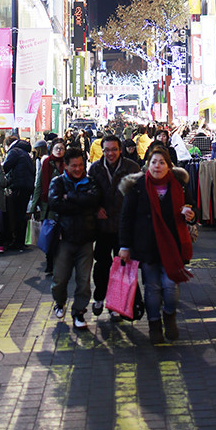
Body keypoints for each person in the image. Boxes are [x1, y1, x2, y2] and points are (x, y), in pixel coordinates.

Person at [118, 144, 195, 344]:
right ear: (148, 165)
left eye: (162, 162)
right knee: (152, 288)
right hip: (147, 246)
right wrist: (124, 246)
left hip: (172, 246)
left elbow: (191, 207)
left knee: (170, 288)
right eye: (154, 162)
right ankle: (154, 324)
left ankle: (169, 315)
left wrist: (190, 214)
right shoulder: (137, 187)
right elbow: (126, 218)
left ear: (169, 166)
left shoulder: (179, 185)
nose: (157, 166)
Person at [48, 146, 101, 330]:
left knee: (84, 281)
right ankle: (59, 302)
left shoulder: (91, 181)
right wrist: (81, 202)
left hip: (86, 239)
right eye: (74, 166)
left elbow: (94, 200)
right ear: (66, 166)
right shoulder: (58, 182)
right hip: (64, 239)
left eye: (80, 165)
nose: (78, 169)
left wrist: (69, 197)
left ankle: (79, 312)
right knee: (60, 279)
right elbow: (55, 204)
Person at [89, 133, 140, 316]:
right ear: (102, 151)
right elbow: (89, 192)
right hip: (102, 227)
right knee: (101, 266)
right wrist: (96, 208)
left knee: (123, 267)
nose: (110, 153)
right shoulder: (95, 168)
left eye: (114, 150)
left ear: (120, 150)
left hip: (123, 228)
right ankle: (99, 297)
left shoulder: (132, 167)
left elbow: (138, 195)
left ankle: (116, 304)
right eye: (106, 150)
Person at [38, 137, 66, 274]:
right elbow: (39, 184)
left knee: (63, 236)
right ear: (52, 149)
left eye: (61, 148)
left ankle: (62, 263)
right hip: (48, 206)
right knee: (50, 236)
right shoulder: (46, 163)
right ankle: (50, 264)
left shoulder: (68, 163)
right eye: (57, 148)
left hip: (65, 205)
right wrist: (33, 207)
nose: (59, 151)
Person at [2, 137, 36, 251]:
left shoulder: (14, 152)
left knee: (16, 215)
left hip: (19, 187)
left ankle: (17, 242)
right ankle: (20, 241)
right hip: (26, 186)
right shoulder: (24, 152)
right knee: (21, 214)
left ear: (7, 145)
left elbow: (5, 168)